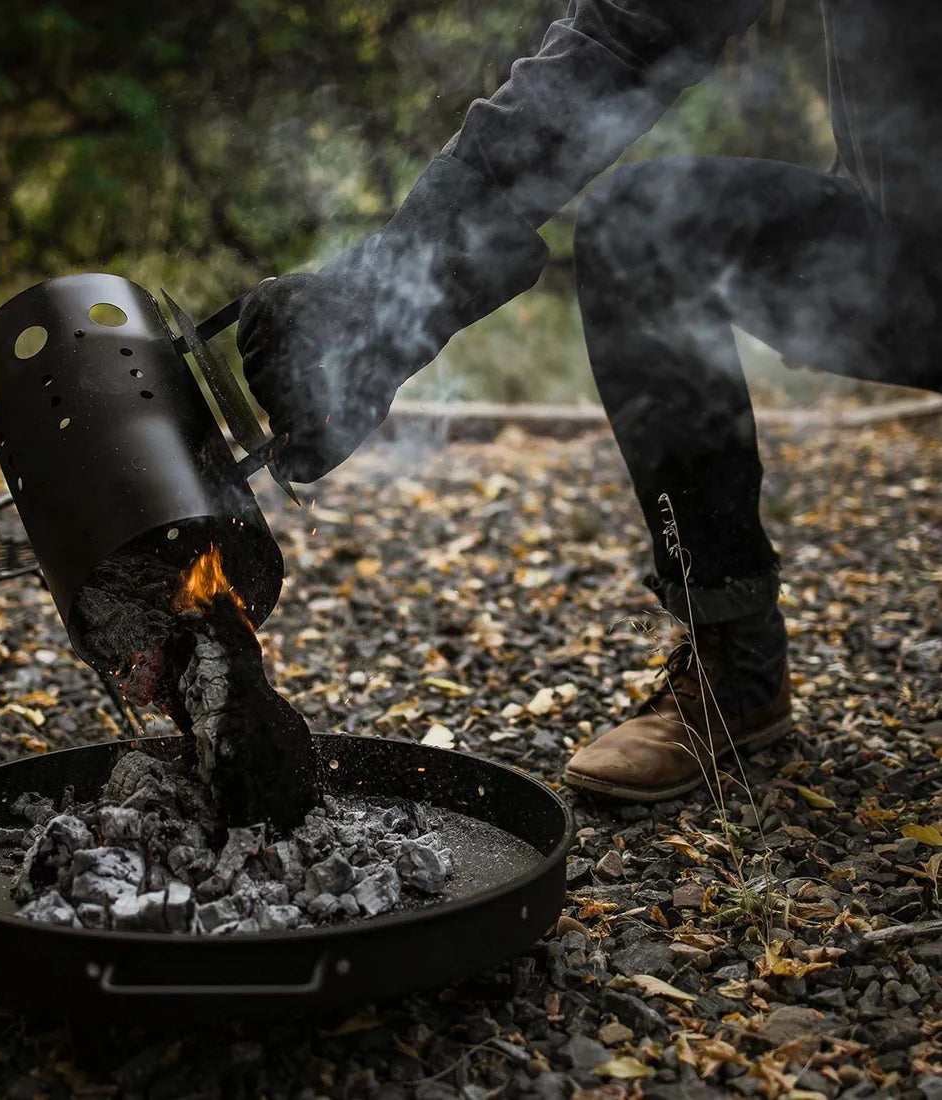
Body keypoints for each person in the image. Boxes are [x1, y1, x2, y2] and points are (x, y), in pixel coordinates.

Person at [237, 1, 942, 802]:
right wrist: (398, 283)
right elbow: (621, 37)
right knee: (643, 230)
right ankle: (735, 668)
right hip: (904, 258)